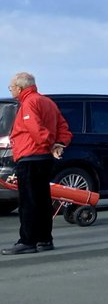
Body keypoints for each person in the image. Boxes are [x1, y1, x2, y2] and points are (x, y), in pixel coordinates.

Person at [3, 72, 72, 255]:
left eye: (11, 87)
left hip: (30, 156)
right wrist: (59, 144)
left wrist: (50, 144)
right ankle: (44, 239)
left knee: (29, 201)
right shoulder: (47, 102)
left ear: (20, 87)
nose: (11, 90)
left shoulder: (29, 103)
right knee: (42, 200)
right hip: (43, 158)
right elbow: (63, 128)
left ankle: (28, 240)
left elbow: (35, 128)